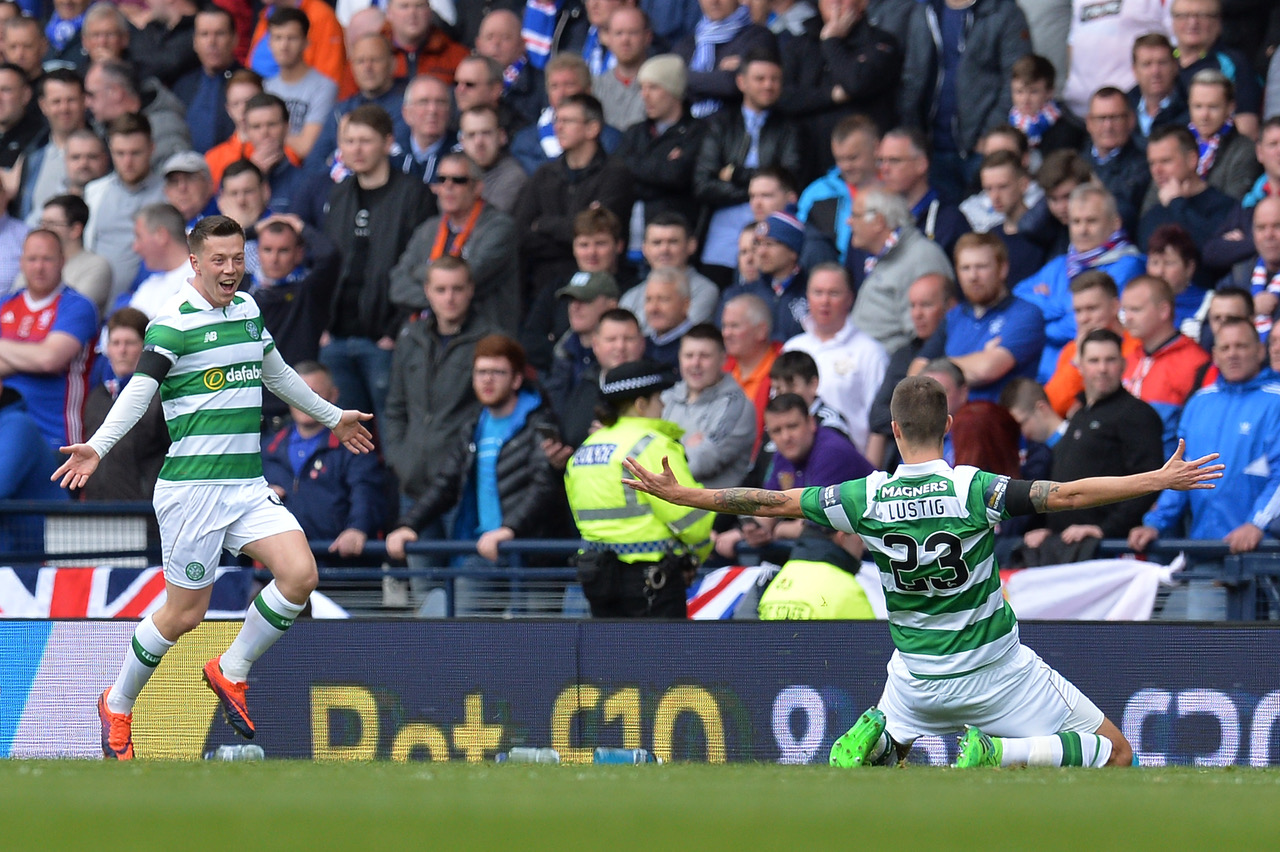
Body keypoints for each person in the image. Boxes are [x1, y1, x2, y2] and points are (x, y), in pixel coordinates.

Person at [623, 373, 1222, 768]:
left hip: (914, 678)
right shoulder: (973, 490)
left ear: (893, 431)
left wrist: (688, 497)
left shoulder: (865, 497)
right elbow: (1064, 495)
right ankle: (1000, 753)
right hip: (996, 671)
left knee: (893, 754)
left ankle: (883, 737)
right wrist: (1156, 478)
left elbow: (769, 502)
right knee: (1115, 754)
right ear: (949, 427)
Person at [52, 214, 374, 761]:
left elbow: (276, 372)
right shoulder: (172, 322)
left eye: (237, 258)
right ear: (195, 262)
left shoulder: (248, 309)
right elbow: (137, 393)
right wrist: (98, 446)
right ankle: (118, 702)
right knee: (184, 615)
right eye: (219, 261)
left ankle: (231, 668)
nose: (231, 270)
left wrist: (331, 415)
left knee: (300, 575)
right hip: (192, 492)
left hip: (246, 484)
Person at [385, 335, 565, 614]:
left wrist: (509, 530)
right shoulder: (474, 426)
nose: (487, 380)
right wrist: (408, 524)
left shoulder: (541, 423)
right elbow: (445, 484)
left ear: (517, 380)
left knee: (536, 646)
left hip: (533, 556)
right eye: (481, 372)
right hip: (483, 551)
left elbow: (543, 487)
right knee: (462, 634)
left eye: (498, 372)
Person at [565, 358, 714, 618]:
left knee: (610, 657)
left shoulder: (585, 448)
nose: (664, 404)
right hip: (653, 582)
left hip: (597, 578)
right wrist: (698, 553)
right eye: (658, 398)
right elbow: (691, 518)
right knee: (660, 658)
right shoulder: (652, 445)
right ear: (640, 404)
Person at [1129, 316, 1280, 560]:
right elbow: (1182, 474)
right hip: (1203, 552)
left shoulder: (1276, 400)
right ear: (1215, 355)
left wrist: (1256, 524)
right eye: (1225, 348)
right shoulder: (1199, 402)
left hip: (1262, 556)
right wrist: (1155, 523)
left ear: (1260, 351)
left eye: (1241, 346)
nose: (1233, 354)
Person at [1021, 329, 1166, 554]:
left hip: (1107, 551)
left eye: (1110, 360)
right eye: (1094, 360)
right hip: (1064, 548)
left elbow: (1149, 482)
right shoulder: (1079, 415)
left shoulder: (1137, 414)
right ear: (1080, 367)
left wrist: (1104, 530)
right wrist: (1046, 528)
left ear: (1123, 364)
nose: (1102, 368)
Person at [262, 361, 385, 561]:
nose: (305, 402)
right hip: (283, 566)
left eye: (315, 394)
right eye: (299, 393)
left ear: (333, 395)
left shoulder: (354, 443)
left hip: (342, 567)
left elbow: (366, 490)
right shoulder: (268, 448)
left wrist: (357, 528)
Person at [388, 151, 519, 333]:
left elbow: (467, 278)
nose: (448, 186)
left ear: (477, 187)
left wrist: (418, 272)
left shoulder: (499, 228)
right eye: (442, 179)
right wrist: (446, 297)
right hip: (427, 336)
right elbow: (397, 286)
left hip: (482, 337)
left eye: (458, 180)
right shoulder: (427, 229)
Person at [917, 232, 1045, 402]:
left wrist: (936, 368)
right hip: (949, 424)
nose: (973, 276)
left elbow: (987, 369)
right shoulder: (953, 316)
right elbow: (916, 373)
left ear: (1003, 269)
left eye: (981, 267)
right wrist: (977, 359)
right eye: (965, 268)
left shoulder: (1026, 314)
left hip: (996, 422)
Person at [0, 229, 97, 450]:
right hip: (6, 433)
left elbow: (49, 359)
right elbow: (41, 357)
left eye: (47, 259)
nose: (39, 267)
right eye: (32, 259)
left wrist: (4, 347)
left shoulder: (77, 306)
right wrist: (32, 355)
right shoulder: (5, 305)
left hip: (57, 438)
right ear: (21, 262)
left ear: (63, 261)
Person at [782, 263, 887, 453]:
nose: (824, 301)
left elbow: (879, 423)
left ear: (850, 298)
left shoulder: (871, 352)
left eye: (834, 293)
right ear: (807, 296)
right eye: (818, 292)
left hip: (850, 466)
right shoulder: (793, 347)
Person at [847, 186, 954, 354]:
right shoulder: (882, 255)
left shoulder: (921, 257)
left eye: (855, 215)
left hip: (892, 367)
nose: (849, 221)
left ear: (878, 222)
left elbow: (925, 336)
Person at [1121, 274, 1212, 454]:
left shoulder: (1195, 362)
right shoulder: (1128, 357)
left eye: (1136, 310)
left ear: (1164, 311)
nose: (1127, 318)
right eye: (1125, 310)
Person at [661, 323, 758, 489]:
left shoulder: (737, 406)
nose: (695, 363)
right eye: (689, 355)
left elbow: (701, 463)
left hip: (715, 510)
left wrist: (669, 448)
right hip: (669, 504)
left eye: (704, 356)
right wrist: (685, 448)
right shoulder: (666, 398)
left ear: (723, 359)